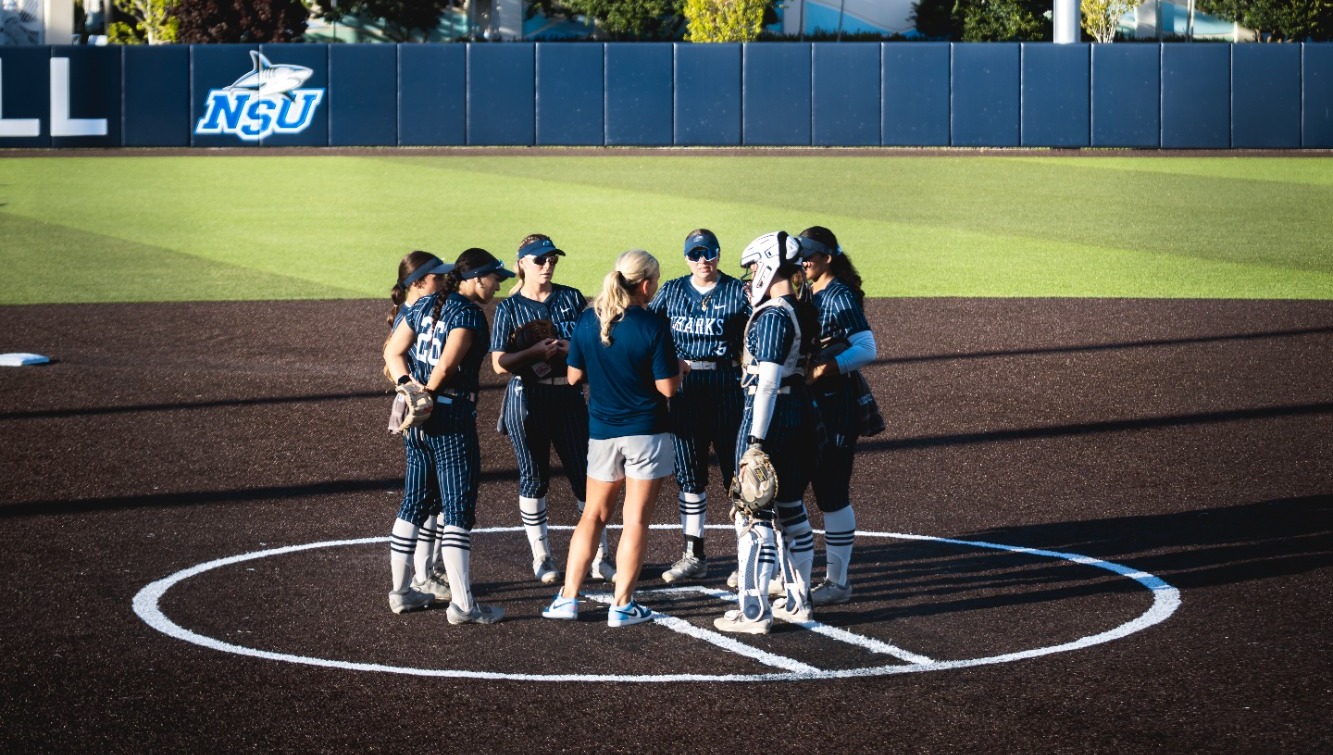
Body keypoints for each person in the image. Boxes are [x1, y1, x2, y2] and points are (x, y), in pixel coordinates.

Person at [541, 249, 683, 628]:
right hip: (647, 434)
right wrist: (679, 368)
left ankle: (567, 598)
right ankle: (622, 605)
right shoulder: (652, 325)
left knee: (593, 515)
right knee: (634, 520)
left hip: (602, 434)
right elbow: (668, 389)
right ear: (647, 284)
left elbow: (573, 378)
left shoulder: (588, 321)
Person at [384, 247, 516, 624]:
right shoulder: (470, 315)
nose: (496, 287)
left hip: (420, 422)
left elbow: (394, 353)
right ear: (477, 279)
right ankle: (463, 605)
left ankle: (401, 592)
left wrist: (409, 390)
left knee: (413, 504)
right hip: (451, 418)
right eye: (494, 279)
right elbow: (446, 365)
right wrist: (425, 394)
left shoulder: (424, 305)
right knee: (457, 512)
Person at [490, 234, 615, 587]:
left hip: (569, 397)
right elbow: (499, 364)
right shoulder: (509, 308)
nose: (548, 266)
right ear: (522, 264)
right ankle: (541, 556)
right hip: (526, 399)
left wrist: (566, 349)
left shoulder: (571, 298)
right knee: (534, 478)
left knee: (586, 478)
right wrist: (534, 354)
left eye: (552, 260)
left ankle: (599, 556)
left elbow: (595, 341)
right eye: (540, 260)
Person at [714, 231, 821, 635]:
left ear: (770, 265)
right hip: (799, 415)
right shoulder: (802, 307)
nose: (752, 273)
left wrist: (756, 440)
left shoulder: (774, 314)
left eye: (755, 265)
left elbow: (768, 383)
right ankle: (798, 602)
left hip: (770, 416)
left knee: (752, 513)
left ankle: (754, 611)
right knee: (791, 508)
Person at [646, 229, 750, 584]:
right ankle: (694, 555)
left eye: (709, 253)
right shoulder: (672, 290)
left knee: (736, 476)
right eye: (695, 254)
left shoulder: (739, 291)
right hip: (684, 390)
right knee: (689, 474)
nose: (703, 261)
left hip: (727, 386)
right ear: (686, 257)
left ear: (719, 254)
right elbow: (648, 327)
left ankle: (747, 556)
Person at [798, 226, 878, 606]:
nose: (803, 261)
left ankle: (838, 582)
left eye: (810, 255)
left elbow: (866, 348)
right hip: (810, 404)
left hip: (835, 405)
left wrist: (824, 370)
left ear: (828, 257)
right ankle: (793, 574)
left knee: (831, 493)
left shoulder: (840, 295)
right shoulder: (806, 289)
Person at [381, 251, 454, 611]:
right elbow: (392, 360)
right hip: (424, 415)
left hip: (420, 413)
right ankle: (417, 579)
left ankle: (422, 576)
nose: (443, 282)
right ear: (418, 282)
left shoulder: (417, 311)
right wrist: (412, 388)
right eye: (437, 277)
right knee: (422, 501)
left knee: (428, 500)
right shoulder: (413, 315)